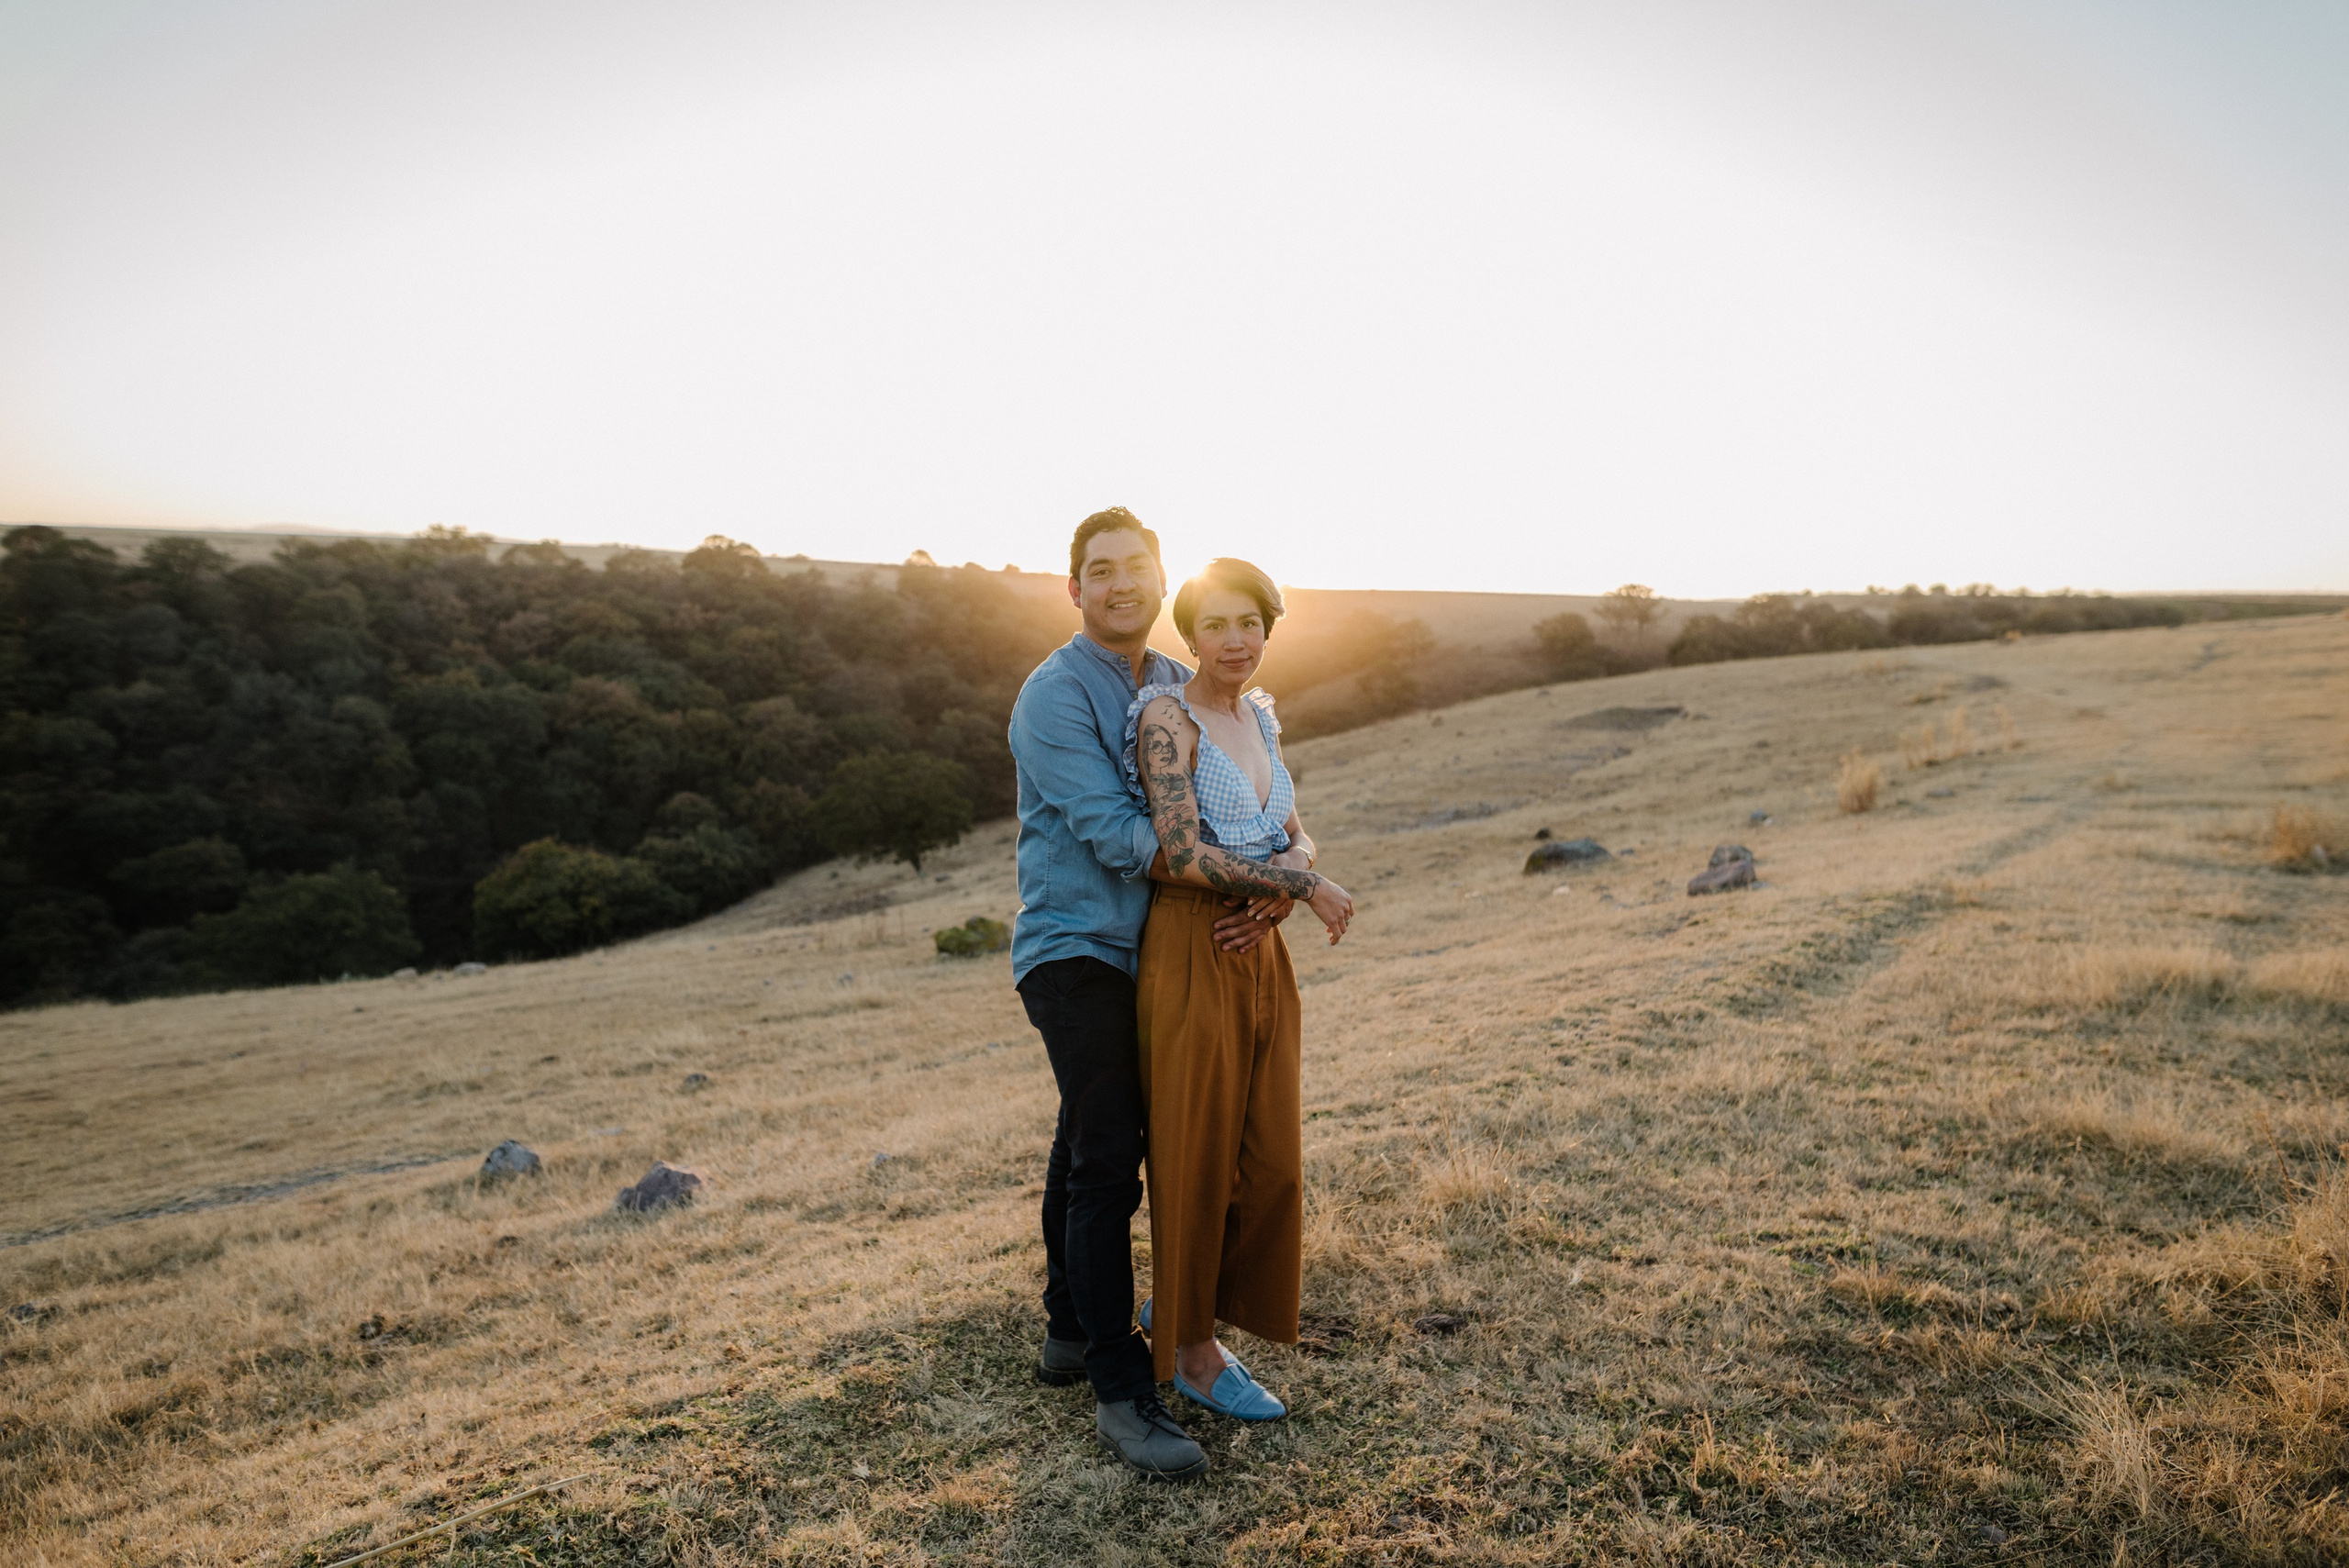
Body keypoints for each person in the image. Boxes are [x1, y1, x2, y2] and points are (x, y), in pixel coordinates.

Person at [1005, 508, 1288, 1482]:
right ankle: (1125, 1390)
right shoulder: (1051, 696)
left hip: (1167, 951)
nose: (1121, 582)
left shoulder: (1180, 683)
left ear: (1161, 577)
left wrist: (1276, 879)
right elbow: (1133, 838)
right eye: (1100, 569)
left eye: (1137, 566)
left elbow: (1243, 805)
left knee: (1088, 1134)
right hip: (1078, 947)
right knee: (1107, 1162)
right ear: (1074, 588)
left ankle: (1067, 1329)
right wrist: (1272, 880)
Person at [1123, 558, 1353, 1423]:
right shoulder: (1166, 721)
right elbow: (1180, 852)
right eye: (1215, 624)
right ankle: (1188, 1350)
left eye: (1249, 623)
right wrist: (1299, 887)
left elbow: (1295, 832)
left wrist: (1285, 881)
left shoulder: (1260, 716)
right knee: (1195, 1154)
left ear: (1267, 628)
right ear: (1190, 635)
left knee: (1269, 1158)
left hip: (1257, 944)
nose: (1235, 640)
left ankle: (1186, 1309)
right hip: (1192, 944)